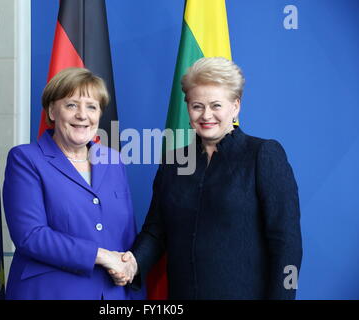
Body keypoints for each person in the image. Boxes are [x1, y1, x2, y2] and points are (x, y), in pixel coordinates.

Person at [110, 57, 303, 299]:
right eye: (197, 106)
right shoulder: (174, 162)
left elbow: (286, 242)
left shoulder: (263, 154)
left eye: (216, 105)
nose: (206, 115)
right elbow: (156, 231)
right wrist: (133, 264)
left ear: (236, 106)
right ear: (187, 107)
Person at [3, 67, 141, 299]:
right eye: (71, 105)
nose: (82, 115)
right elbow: (31, 236)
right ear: (52, 111)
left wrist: (130, 267)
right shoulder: (26, 159)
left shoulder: (113, 160)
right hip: (50, 292)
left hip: (111, 293)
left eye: (91, 106)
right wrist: (102, 255)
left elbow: (126, 233)